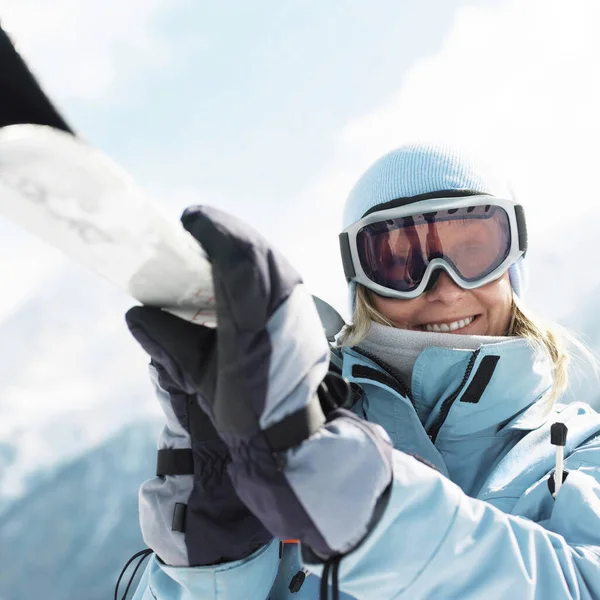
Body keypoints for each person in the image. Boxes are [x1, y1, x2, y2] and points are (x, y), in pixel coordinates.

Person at [122, 143, 600, 600]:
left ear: (513, 264)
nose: (445, 288)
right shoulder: (285, 439)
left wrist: (368, 507)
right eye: (400, 262)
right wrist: (214, 545)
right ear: (361, 286)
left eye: (474, 252)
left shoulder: (580, 453)